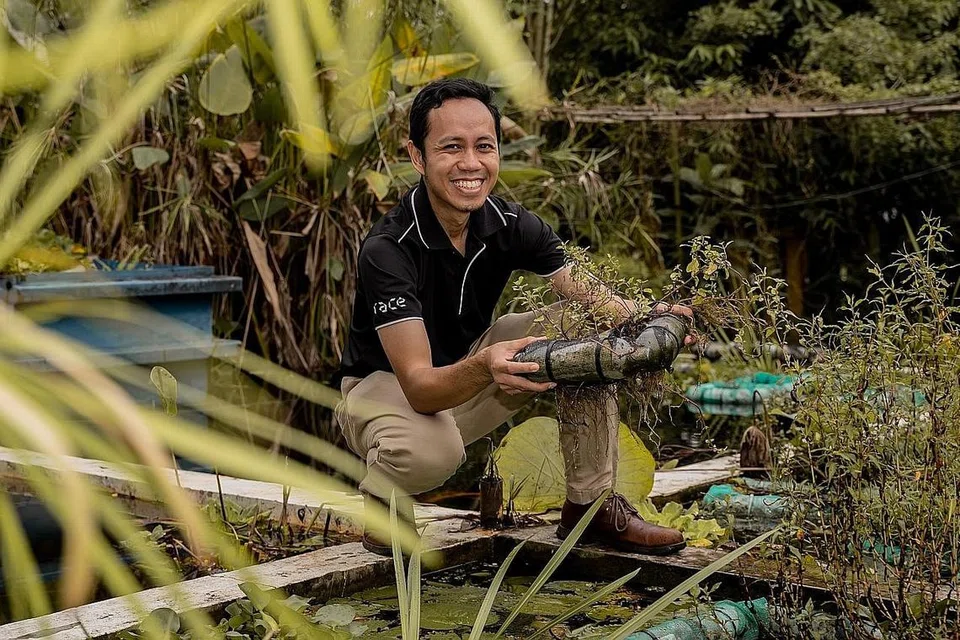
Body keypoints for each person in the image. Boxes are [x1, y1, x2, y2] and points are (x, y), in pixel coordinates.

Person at [336, 78, 691, 556]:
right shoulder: (388, 249)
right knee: (433, 453)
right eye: (451, 147)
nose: (471, 163)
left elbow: (593, 299)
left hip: (463, 371)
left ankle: (590, 510)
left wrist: (649, 320)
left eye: (484, 146)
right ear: (417, 157)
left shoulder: (509, 223)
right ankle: (382, 495)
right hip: (384, 390)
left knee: (586, 330)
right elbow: (419, 386)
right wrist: (486, 366)